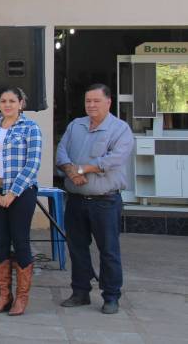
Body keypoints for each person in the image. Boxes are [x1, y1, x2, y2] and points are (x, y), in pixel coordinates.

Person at [56, 84, 134, 315]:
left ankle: (111, 296)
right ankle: (80, 292)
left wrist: (82, 170)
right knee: (77, 248)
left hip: (105, 201)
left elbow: (114, 159)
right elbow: (61, 152)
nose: (91, 105)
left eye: (96, 101)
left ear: (108, 102)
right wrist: (71, 171)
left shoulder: (120, 129)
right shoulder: (75, 125)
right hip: (76, 200)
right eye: (88, 101)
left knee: (108, 250)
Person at [0, 87, 41, 316]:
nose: (7, 105)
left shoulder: (30, 128)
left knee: (21, 241)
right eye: (3, 101)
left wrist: (12, 193)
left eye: (12, 101)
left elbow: (32, 164)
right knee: (0, 242)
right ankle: (4, 296)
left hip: (21, 193)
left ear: (21, 103)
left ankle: (21, 299)